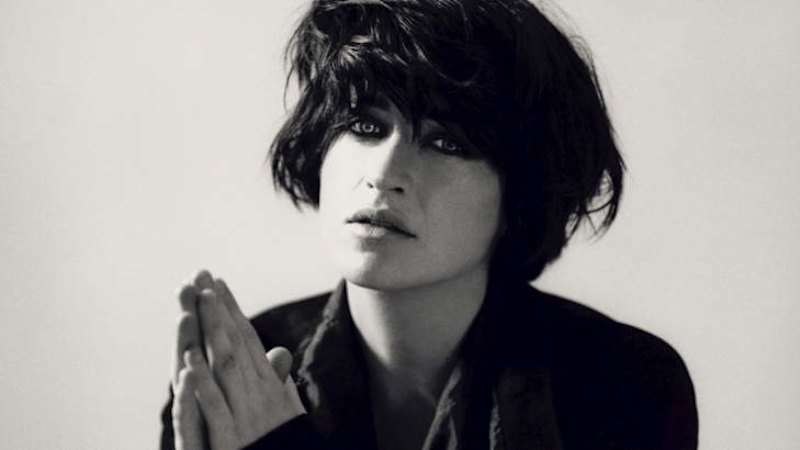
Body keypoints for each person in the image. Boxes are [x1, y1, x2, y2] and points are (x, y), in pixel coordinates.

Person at [160, 0, 698, 449]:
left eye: (447, 143)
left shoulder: (624, 381)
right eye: (364, 126)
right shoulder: (242, 370)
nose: (384, 175)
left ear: (522, 194)